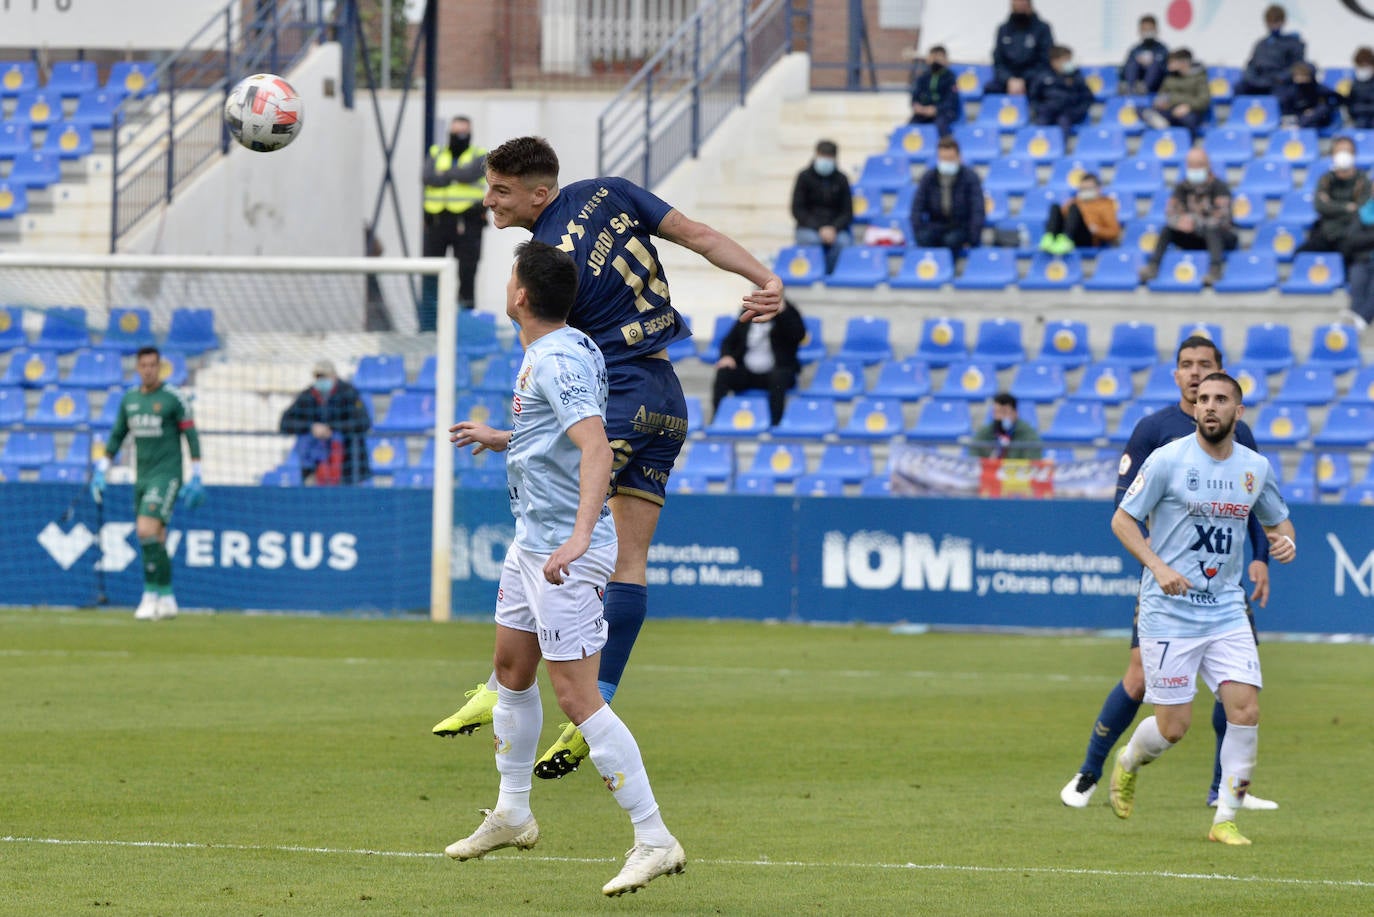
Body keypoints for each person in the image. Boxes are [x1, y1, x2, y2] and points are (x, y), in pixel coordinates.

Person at [432, 137, 783, 779]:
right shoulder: (611, 191)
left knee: (548, 542)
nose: (488, 201)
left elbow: (569, 394)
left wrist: (512, 436)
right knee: (630, 563)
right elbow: (698, 235)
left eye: (501, 191)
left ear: (539, 194)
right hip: (666, 395)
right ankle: (593, 702)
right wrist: (766, 279)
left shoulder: (546, 265)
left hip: (617, 392)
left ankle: (510, 688)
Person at [443, 240, 685, 896]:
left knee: (578, 697)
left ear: (521, 294)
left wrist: (581, 537)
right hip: (532, 543)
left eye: (510, 278)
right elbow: (560, 434)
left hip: (563, 552)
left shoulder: (556, 358)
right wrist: (505, 438)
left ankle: (654, 837)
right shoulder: (562, 345)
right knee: (511, 670)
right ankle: (513, 813)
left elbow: (596, 447)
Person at [1060, 337, 1279, 813]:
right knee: (1139, 680)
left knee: (1236, 689)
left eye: (1205, 366)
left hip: (1223, 589)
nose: (1196, 373)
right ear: (1177, 375)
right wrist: (1156, 566)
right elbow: (1126, 507)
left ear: (1222, 375)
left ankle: (1224, 792)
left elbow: (1252, 502)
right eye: (1187, 365)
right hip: (1166, 589)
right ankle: (1090, 772)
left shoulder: (1240, 435)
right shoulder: (1154, 431)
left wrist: (1261, 554)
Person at [1108, 372, 1296, 847]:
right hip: (1169, 611)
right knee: (1173, 728)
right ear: (1194, 408)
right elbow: (1123, 520)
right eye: (1204, 399)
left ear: (1238, 411)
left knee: (1245, 709)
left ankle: (1225, 819)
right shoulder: (1168, 459)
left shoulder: (1255, 468)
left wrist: (1285, 542)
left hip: (1226, 609)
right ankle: (1129, 760)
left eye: (1221, 399)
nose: (1209, 405)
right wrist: (1157, 566)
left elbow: (1279, 521)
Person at [90, 346, 204, 621]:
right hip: (142, 476)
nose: (149, 370)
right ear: (138, 368)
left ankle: (149, 595)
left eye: (153, 365)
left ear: (159, 367)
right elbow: (118, 435)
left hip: (167, 474)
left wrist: (197, 473)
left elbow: (191, 434)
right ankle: (167, 598)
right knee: (156, 537)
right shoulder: (130, 400)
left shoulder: (173, 398)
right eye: (144, 365)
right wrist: (102, 469)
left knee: (144, 529)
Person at [419, 115, 487, 329]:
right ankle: (429, 325)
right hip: (437, 222)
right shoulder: (436, 152)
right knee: (431, 274)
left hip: (468, 222)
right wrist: (455, 175)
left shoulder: (479, 154)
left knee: (467, 274)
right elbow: (428, 177)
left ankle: (466, 326)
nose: (460, 137)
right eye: (456, 133)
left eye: (464, 133)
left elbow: (470, 174)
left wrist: (446, 174)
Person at [1138, 148, 1237, 287]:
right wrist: (1179, 222)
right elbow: (1170, 212)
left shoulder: (1220, 187)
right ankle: (1153, 267)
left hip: (1220, 236)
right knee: (1167, 229)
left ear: (1207, 165)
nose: (1195, 169)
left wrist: (1195, 222)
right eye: (1191, 165)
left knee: (1212, 229)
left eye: (1199, 165)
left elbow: (1223, 218)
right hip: (1194, 235)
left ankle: (1215, 271)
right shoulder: (1182, 187)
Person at [711, 298, 806, 427]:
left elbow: (798, 335)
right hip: (748, 373)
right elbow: (728, 341)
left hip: (776, 373)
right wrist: (727, 356)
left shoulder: (788, 312)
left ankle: (775, 424)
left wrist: (783, 312)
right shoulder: (748, 315)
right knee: (723, 372)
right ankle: (718, 419)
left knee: (779, 377)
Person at [278, 359, 373, 485]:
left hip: (348, 465)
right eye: (318, 377)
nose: (321, 380)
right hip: (314, 467)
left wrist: (331, 428)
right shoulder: (307, 396)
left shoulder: (349, 393)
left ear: (334, 376)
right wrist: (311, 427)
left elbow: (363, 423)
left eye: (325, 376)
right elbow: (285, 423)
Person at [1296, 136, 1371, 257]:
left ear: (1354, 154)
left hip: (1351, 234)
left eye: (1347, 151)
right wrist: (1347, 206)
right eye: (1339, 151)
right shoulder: (1326, 179)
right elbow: (1320, 206)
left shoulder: (1363, 181)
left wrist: (1331, 205)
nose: (1343, 155)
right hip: (1326, 233)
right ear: (1332, 155)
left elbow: (1361, 210)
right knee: (1301, 254)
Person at [910, 136, 985, 254]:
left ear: (959, 157)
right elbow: (917, 208)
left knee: (951, 241)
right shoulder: (929, 178)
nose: (946, 162)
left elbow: (977, 210)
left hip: (960, 226)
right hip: (936, 225)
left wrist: (973, 239)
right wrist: (918, 231)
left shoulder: (970, 177)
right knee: (924, 238)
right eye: (943, 158)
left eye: (950, 158)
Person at [791, 139, 854, 275]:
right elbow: (797, 210)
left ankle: (829, 276)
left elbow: (847, 212)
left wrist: (833, 228)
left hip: (836, 229)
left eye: (829, 157)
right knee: (813, 241)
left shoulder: (842, 179)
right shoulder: (804, 177)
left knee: (843, 243)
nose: (825, 161)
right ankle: (814, 276)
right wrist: (819, 227)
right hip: (808, 227)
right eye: (822, 156)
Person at [1039, 171, 1120, 254]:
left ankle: (1066, 239)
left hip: (1088, 237)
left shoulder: (1105, 205)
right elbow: (1062, 216)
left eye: (1089, 189)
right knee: (1055, 207)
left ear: (1098, 189)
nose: (1085, 192)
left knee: (1074, 209)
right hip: (1071, 232)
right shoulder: (1075, 201)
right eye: (1082, 189)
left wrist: (1097, 230)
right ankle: (1049, 238)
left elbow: (1114, 232)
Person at [1233, 4, 1305, 97]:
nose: (1273, 25)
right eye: (1270, 22)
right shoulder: (1261, 44)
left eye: (1276, 21)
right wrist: (1251, 78)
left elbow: (1296, 67)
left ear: (1283, 22)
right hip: (1259, 81)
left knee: (1285, 93)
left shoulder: (1293, 43)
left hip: (1278, 83)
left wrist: (1279, 78)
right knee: (1239, 88)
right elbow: (1251, 65)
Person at [986, 0, 1055, 95]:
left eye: (1023, 2)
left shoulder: (1042, 29)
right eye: (1016, 3)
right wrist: (1009, 79)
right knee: (989, 89)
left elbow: (1045, 60)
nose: (1020, 4)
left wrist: (1024, 80)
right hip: (1008, 80)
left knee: (1049, 89)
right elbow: (998, 61)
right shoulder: (1003, 29)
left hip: (1034, 78)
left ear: (1029, 4)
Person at [1141, 48, 1210, 138]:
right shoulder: (1169, 78)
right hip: (1170, 109)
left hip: (1190, 111)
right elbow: (1162, 94)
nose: (1169, 64)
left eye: (1172, 62)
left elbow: (1204, 100)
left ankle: (1186, 142)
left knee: (1188, 119)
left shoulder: (1199, 77)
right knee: (1142, 110)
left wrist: (1188, 107)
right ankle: (1163, 126)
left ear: (1183, 63)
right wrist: (1160, 102)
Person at [1029, 45, 1093, 135]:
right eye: (1065, 60)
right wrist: (1041, 109)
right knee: (1041, 125)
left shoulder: (1076, 75)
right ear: (1054, 61)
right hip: (1047, 112)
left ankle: (1061, 144)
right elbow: (1033, 97)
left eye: (1069, 60)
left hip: (1069, 113)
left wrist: (1077, 111)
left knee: (1064, 122)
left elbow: (1087, 97)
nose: (1068, 63)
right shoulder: (1042, 75)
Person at [909, 44, 961, 137]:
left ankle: (945, 144)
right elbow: (915, 97)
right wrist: (918, 107)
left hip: (944, 113)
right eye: (933, 57)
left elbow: (951, 100)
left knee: (941, 125)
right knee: (910, 128)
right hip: (923, 113)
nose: (935, 61)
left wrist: (936, 109)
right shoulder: (923, 77)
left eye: (939, 57)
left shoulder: (950, 77)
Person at [969, 392, 1041, 460]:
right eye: (997, 412)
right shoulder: (985, 433)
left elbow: (1033, 460)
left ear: (1015, 413)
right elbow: (973, 456)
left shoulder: (1027, 434)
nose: (1000, 417)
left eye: (1004, 412)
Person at [1277, 61, 1338, 129]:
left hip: (1316, 119)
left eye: (1304, 75)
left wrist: (1313, 111)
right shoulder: (1289, 91)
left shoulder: (1318, 89)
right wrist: (1302, 114)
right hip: (1297, 119)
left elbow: (1331, 101)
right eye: (1298, 76)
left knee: (1322, 109)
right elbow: (1286, 111)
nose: (1301, 79)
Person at [1119, 14, 1167, 96]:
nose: (1147, 32)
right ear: (1140, 31)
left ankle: (1144, 88)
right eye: (1145, 29)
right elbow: (1124, 71)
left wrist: (1152, 62)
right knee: (1133, 63)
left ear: (1156, 30)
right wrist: (1139, 61)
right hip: (1136, 84)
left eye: (1150, 29)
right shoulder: (1134, 50)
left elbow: (1166, 71)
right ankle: (1130, 89)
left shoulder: (1162, 49)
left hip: (1156, 85)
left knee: (1154, 65)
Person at [1343, 46, 1374, 129]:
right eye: (1360, 66)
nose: (1363, 69)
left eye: (1365, 66)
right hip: (1360, 119)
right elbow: (1350, 106)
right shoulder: (1353, 84)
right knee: (1361, 123)